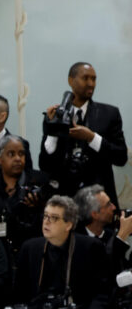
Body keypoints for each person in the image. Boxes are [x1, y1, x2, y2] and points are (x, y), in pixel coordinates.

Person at [39, 62, 127, 207]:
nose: (91, 84)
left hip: (98, 204)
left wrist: (92, 138)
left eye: (94, 79)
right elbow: (45, 164)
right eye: (85, 78)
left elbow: (121, 157)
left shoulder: (109, 114)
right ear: (70, 80)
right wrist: (52, 131)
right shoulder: (55, 116)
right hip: (64, 202)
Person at [12, 195, 109, 309]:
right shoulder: (30, 248)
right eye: (45, 216)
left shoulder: (90, 247)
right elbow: (19, 291)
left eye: (54, 218)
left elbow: (103, 289)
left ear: (68, 225)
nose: (46, 221)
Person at [0, 134, 52, 275]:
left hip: (30, 252)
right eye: (11, 154)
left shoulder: (39, 181)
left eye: (21, 154)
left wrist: (39, 208)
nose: (17, 158)